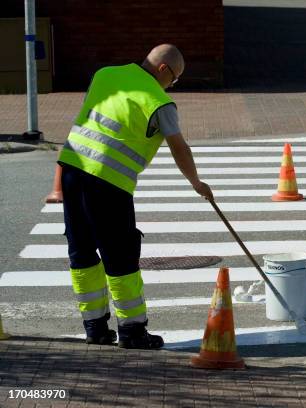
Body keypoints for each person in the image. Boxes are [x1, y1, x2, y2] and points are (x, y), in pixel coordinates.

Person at [57, 44, 214, 348]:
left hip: (73, 171)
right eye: (175, 79)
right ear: (164, 71)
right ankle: (132, 331)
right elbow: (178, 146)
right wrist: (196, 182)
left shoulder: (105, 74)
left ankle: (95, 328)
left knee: (82, 250)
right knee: (120, 255)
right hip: (108, 183)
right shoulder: (158, 101)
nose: (173, 86)